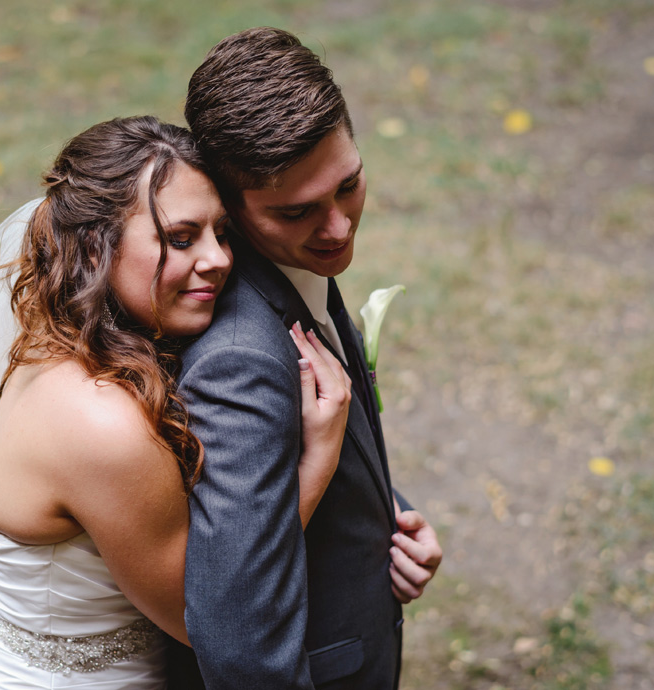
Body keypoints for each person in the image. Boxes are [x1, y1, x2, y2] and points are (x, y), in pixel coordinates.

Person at [0, 116, 354, 689]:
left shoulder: (64, 335)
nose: (219, 258)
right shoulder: (99, 421)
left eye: (221, 232)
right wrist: (315, 465)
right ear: (96, 248)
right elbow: (207, 616)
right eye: (181, 239)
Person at [169, 27, 443, 689]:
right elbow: (237, 635)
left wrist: (389, 513)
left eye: (348, 185)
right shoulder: (239, 359)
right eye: (297, 211)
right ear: (229, 211)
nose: (339, 227)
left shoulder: (296, 261)